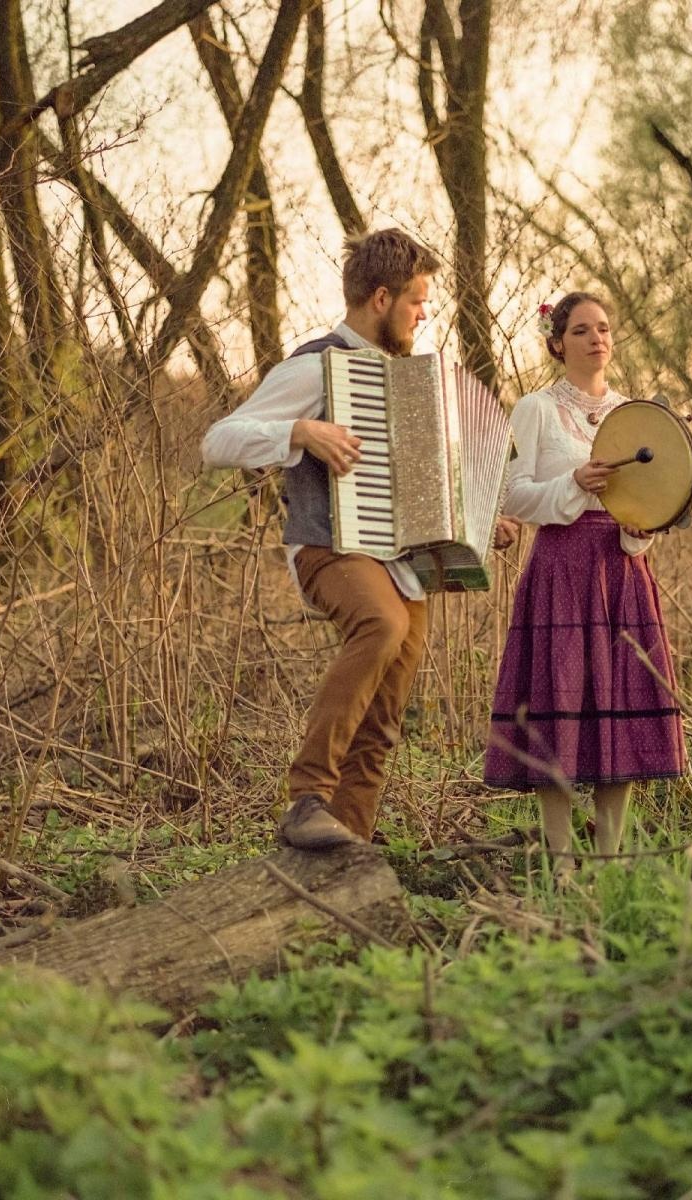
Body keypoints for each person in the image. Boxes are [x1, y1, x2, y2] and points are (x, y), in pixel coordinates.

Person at [201, 228, 517, 849]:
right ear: (380, 298)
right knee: (381, 626)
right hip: (330, 546)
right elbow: (218, 440)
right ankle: (307, 796)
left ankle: (348, 845)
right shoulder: (316, 364)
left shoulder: (410, 381)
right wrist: (301, 432)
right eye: (416, 301)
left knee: (386, 710)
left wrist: (483, 522)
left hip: (404, 562)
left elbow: (434, 482)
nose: (424, 314)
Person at [484, 291, 687, 873]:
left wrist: (641, 528)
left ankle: (610, 859)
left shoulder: (638, 415)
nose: (597, 338)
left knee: (617, 703)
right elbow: (512, 495)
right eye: (581, 330)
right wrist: (574, 482)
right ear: (557, 343)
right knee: (560, 699)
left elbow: (656, 498)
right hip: (562, 570)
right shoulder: (536, 409)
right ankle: (559, 858)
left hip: (624, 571)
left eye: (603, 328)